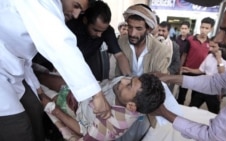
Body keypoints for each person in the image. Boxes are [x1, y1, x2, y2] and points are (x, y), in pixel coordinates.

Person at [0, 0, 111, 140]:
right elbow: (61, 45)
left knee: (35, 108)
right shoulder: (41, 3)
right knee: (18, 128)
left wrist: (37, 87)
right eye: (76, 6)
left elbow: (23, 57)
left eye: (80, 11)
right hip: (3, 71)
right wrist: (96, 94)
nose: (76, 15)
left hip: (13, 69)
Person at [152, 0, 226, 140]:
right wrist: (167, 77)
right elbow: (215, 83)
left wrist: (164, 113)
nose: (217, 39)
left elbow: (215, 136)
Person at [36, 72, 165, 140]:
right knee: (41, 76)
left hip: (73, 106)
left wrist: (54, 109)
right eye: (131, 79)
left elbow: (83, 131)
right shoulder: (134, 91)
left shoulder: (111, 126)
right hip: (83, 89)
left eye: (129, 85)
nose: (123, 80)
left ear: (131, 106)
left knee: (38, 90)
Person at [181, 37, 226, 114]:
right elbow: (201, 70)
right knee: (192, 108)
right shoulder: (209, 56)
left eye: (213, 47)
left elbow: (223, 74)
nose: (210, 49)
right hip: (203, 87)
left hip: (215, 91)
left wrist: (219, 59)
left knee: (214, 113)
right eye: (209, 46)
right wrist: (189, 70)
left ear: (221, 47)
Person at [116, 4, 172, 76]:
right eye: (130, 27)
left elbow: (159, 82)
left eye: (139, 28)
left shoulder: (161, 51)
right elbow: (117, 74)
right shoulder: (121, 42)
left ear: (148, 29)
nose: (132, 34)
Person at [177, 17, 215, 105]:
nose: (203, 30)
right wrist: (180, 68)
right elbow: (184, 54)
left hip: (200, 74)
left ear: (211, 29)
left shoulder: (210, 43)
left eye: (206, 28)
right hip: (187, 71)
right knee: (181, 96)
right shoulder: (190, 40)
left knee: (195, 99)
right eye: (202, 27)